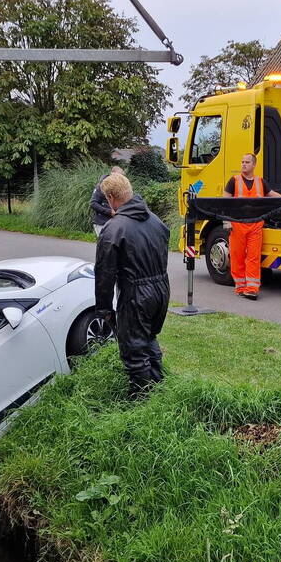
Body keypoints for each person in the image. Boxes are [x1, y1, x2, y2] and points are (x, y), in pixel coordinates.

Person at [95, 172, 171, 397]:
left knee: (134, 350)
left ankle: (141, 402)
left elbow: (104, 273)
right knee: (148, 338)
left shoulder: (114, 228)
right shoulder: (155, 220)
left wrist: (104, 309)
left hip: (136, 294)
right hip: (161, 290)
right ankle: (159, 390)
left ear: (110, 197)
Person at [223, 153, 281, 300]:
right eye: (242, 162)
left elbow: (271, 194)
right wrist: (227, 222)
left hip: (255, 225)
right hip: (237, 225)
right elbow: (224, 204)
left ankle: (252, 288)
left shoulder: (260, 181)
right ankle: (241, 287)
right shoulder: (233, 181)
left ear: (254, 165)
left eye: (247, 162)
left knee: (253, 257)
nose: (243, 164)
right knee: (237, 256)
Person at [90, 165, 125, 237]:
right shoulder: (101, 185)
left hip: (114, 223)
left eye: (121, 177)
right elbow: (93, 203)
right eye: (117, 176)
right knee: (105, 245)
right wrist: (109, 212)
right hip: (101, 223)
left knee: (112, 246)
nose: (119, 179)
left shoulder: (119, 187)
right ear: (112, 174)